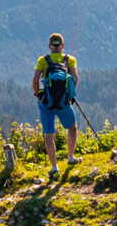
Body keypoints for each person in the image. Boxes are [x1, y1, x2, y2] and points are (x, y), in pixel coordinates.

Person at [32, 32, 81, 180]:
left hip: (46, 103)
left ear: (49, 46)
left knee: (49, 135)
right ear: (62, 46)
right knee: (72, 127)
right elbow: (75, 78)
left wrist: (39, 96)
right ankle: (70, 157)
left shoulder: (43, 60)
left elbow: (35, 82)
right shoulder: (70, 60)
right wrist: (69, 95)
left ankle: (54, 167)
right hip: (63, 103)